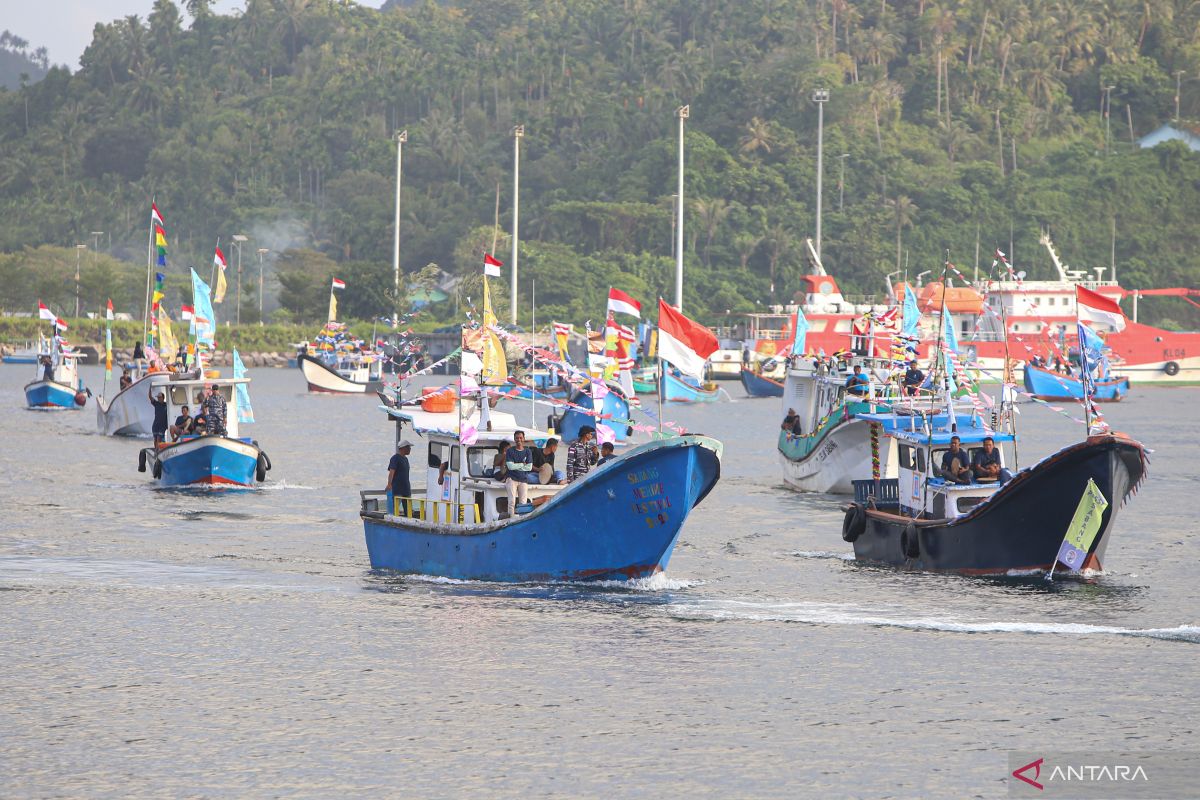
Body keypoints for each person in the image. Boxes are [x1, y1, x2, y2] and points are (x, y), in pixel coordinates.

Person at [504, 430, 538, 509]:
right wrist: (522, 464)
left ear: (523, 439)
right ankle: (511, 519)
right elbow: (510, 467)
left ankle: (521, 519)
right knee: (511, 502)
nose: (519, 439)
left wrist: (515, 465)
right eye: (517, 438)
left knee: (523, 503)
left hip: (523, 480)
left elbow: (529, 467)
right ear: (514, 439)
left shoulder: (528, 451)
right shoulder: (510, 451)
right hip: (511, 479)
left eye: (520, 438)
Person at [387, 440, 413, 516]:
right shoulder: (395, 458)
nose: (410, 449)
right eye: (408, 447)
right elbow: (392, 472)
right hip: (397, 489)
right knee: (395, 509)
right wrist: (389, 484)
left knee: (408, 511)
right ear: (403, 448)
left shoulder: (406, 459)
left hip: (406, 489)